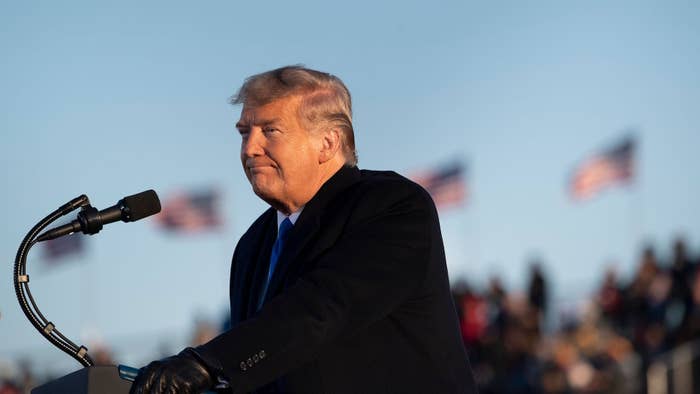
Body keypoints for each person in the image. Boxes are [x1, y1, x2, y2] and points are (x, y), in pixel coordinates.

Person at [131, 65, 477, 393]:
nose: (250, 148)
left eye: (270, 130)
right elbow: (260, 371)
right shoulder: (253, 245)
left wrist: (208, 364)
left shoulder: (393, 206)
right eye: (244, 132)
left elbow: (321, 308)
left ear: (327, 142)